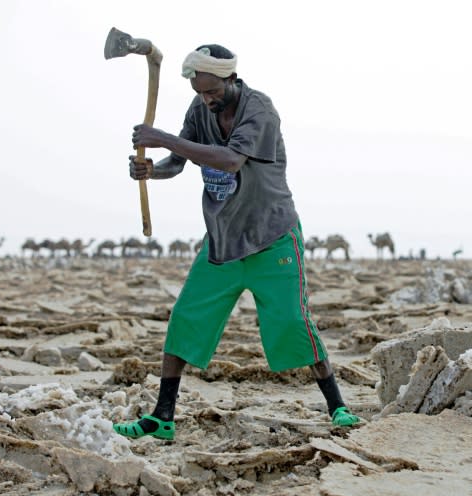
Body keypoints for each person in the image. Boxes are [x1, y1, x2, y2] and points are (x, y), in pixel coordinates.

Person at [112, 44, 359, 440]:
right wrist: (152, 170)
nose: (206, 100)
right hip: (223, 239)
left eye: (211, 91)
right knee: (186, 318)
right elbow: (179, 160)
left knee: (293, 322)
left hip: (271, 236)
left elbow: (229, 159)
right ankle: (162, 417)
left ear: (230, 79)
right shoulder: (200, 110)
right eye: (199, 92)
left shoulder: (259, 109)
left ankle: (338, 406)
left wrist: (163, 138)